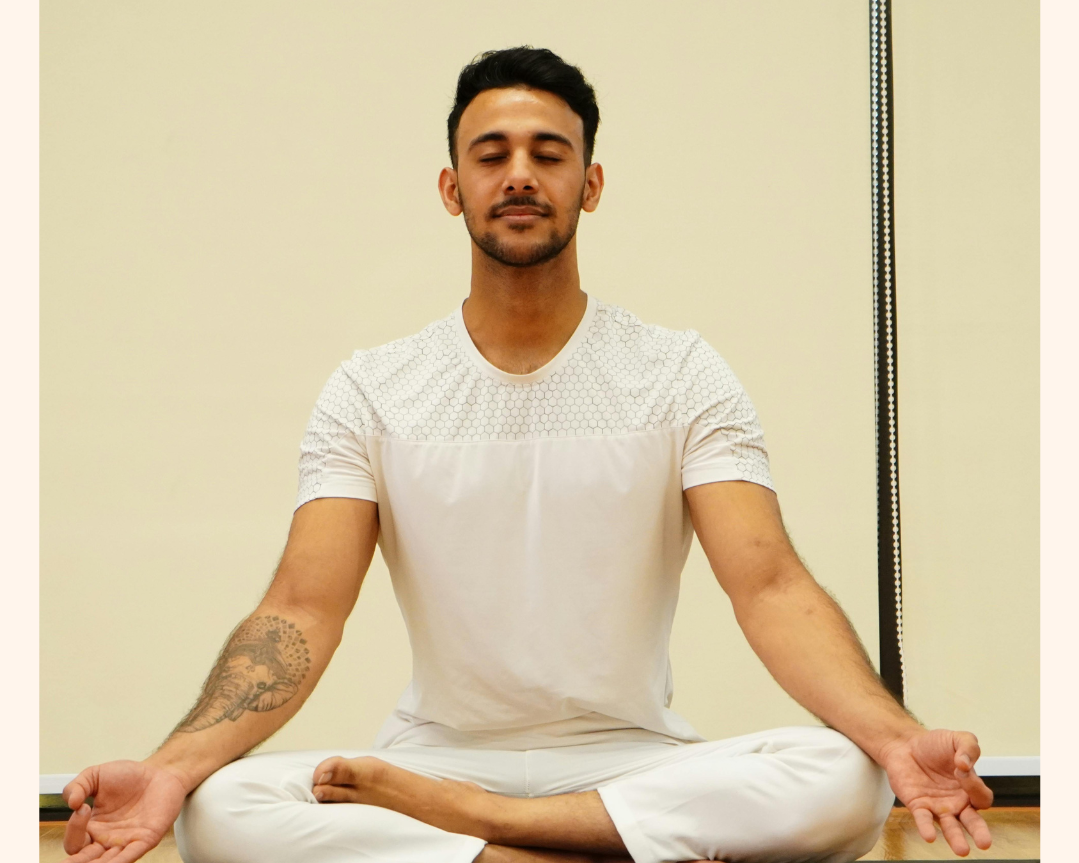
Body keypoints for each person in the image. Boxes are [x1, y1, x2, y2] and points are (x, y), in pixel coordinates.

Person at [61, 47, 994, 863]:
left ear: (589, 184)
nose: (519, 174)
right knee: (221, 812)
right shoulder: (373, 386)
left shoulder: (676, 371)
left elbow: (770, 586)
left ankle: (481, 834)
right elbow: (301, 609)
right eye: (491, 154)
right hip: (432, 757)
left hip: (630, 754)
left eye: (548, 155)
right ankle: (580, 847)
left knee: (844, 779)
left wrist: (897, 738)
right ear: (450, 186)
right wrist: (171, 768)